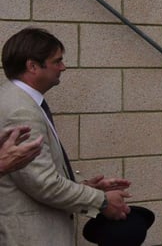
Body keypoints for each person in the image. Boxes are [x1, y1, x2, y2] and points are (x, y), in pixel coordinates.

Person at [0, 27, 132, 245]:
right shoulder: (20, 110)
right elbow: (43, 184)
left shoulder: (18, 99)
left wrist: (85, 187)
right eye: (57, 61)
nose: (63, 67)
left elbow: (34, 176)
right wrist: (102, 201)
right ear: (32, 66)